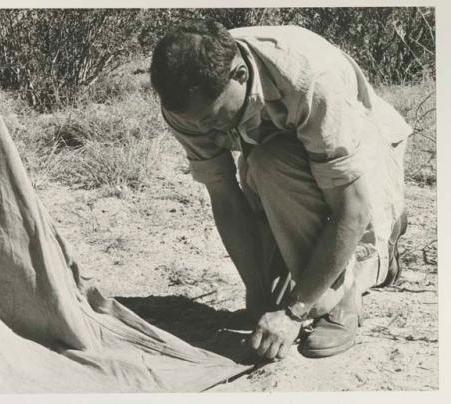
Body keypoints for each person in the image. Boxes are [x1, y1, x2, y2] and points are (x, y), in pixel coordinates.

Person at [150, 20, 410, 361]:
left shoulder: (311, 78)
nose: (201, 129)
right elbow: (225, 197)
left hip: (364, 145)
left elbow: (352, 208)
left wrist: (295, 312)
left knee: (274, 165)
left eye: (212, 119)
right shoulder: (189, 103)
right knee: (265, 166)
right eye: (194, 122)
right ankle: (310, 283)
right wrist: (256, 289)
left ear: (239, 75)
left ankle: (346, 293)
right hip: (275, 143)